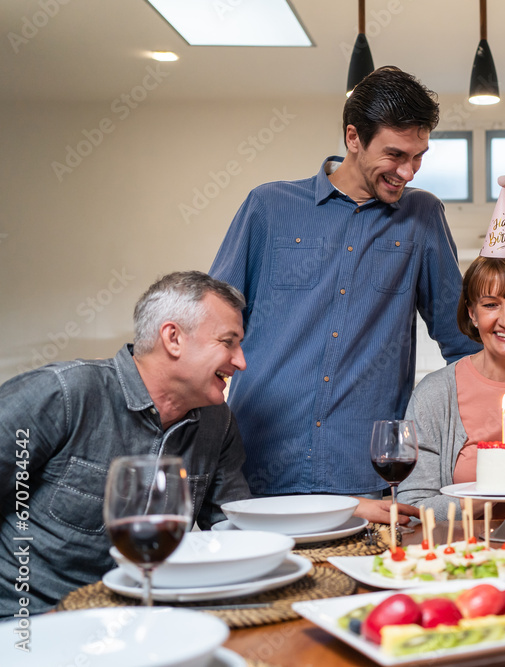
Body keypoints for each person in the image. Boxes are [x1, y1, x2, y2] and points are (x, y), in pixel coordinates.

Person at [209, 66, 479, 514]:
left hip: (367, 477)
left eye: (419, 156)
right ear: (353, 137)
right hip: (260, 467)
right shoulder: (269, 207)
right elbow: (213, 327)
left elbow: (462, 343)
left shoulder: (422, 217)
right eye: (395, 154)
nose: (408, 171)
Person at [0, 272, 252, 616]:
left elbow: (231, 529)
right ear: (173, 338)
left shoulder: (218, 423)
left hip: (144, 620)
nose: (241, 361)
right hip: (30, 628)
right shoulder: (62, 394)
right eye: (228, 342)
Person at [398, 177, 505, 518]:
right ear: (472, 314)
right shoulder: (435, 395)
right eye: (491, 305)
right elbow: (413, 503)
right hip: (462, 557)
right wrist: (491, 497)